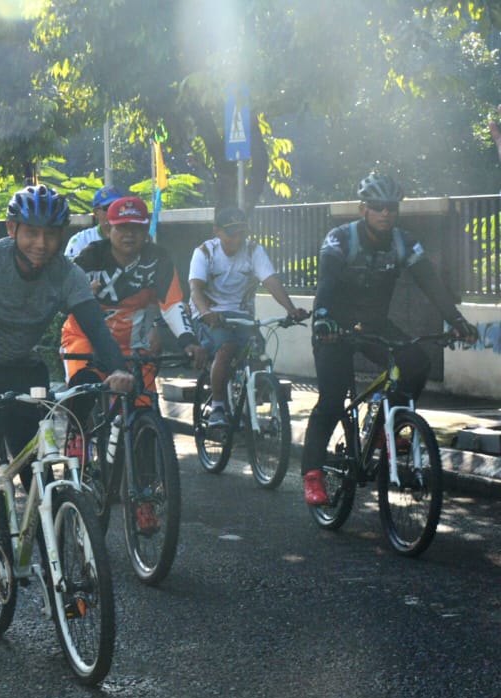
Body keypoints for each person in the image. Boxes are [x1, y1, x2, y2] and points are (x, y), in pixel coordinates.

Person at [0, 184, 135, 539]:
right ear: (12, 230)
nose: (41, 243)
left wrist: (118, 369)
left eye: (51, 234)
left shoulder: (67, 275)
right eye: (32, 232)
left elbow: (96, 329)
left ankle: (51, 557)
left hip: (21, 368)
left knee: (34, 461)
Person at [300, 173, 478, 506]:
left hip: (374, 325)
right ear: (363, 208)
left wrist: (456, 319)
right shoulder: (340, 240)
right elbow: (325, 284)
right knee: (333, 398)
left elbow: (431, 283)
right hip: (334, 326)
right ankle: (312, 473)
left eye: (391, 208)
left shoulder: (404, 243)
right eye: (379, 207)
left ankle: (386, 428)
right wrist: (322, 319)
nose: (386, 214)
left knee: (416, 362)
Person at [60, 195, 206, 420]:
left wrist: (188, 340)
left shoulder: (159, 259)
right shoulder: (89, 257)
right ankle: (79, 441)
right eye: (122, 228)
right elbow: (62, 301)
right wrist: (82, 295)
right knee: (83, 395)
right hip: (86, 340)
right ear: (109, 229)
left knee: (145, 411)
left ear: (146, 230)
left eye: (136, 229)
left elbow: (172, 304)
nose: (129, 234)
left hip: (134, 347)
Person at [188, 206, 308, 428]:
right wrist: (205, 312)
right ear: (217, 232)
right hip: (210, 314)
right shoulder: (204, 252)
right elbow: (196, 289)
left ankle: (248, 400)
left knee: (259, 353)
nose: (238, 238)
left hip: (241, 315)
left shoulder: (253, 251)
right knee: (226, 347)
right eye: (231, 233)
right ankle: (218, 407)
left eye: (242, 232)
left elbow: (271, 281)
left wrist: (291, 310)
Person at [63, 184, 124, 259]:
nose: (114, 211)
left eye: (119, 207)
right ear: (96, 213)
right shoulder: (81, 240)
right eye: (108, 207)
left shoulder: (131, 239)